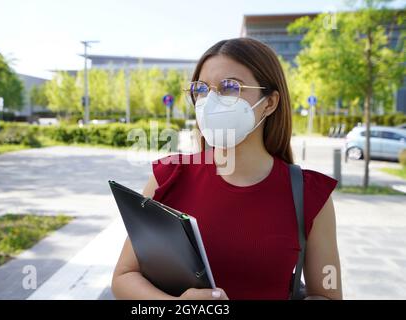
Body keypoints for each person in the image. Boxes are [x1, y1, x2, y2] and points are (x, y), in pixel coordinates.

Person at [112, 38, 342, 300]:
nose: (210, 101)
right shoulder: (169, 177)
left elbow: (328, 294)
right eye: (201, 89)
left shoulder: (311, 196)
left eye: (229, 87)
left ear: (269, 103)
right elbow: (124, 276)